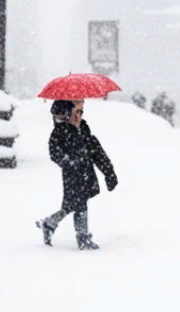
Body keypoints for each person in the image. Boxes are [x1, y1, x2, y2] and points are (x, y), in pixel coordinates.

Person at [36, 99, 117, 250]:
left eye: (81, 112)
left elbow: (98, 153)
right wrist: (68, 162)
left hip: (86, 173)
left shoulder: (84, 130)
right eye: (75, 112)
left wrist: (109, 173)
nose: (78, 116)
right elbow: (54, 152)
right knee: (80, 204)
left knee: (71, 205)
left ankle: (49, 223)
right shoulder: (60, 132)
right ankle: (82, 237)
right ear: (66, 114)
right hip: (72, 175)